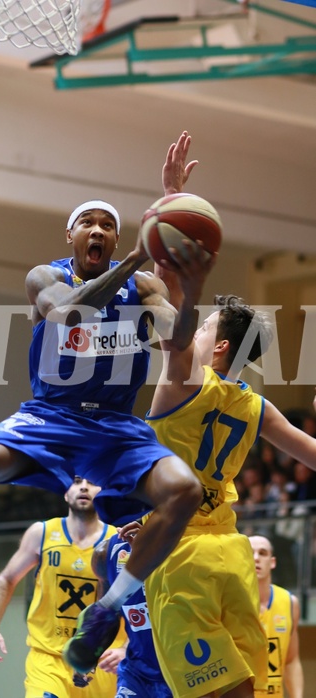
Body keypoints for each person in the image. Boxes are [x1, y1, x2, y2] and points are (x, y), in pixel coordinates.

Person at [0, 132, 204, 675]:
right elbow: (68, 314)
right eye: (90, 223)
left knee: (185, 491)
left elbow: (178, 342)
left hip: (115, 428)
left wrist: (193, 285)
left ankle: (107, 610)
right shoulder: (47, 276)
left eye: (109, 225)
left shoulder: (146, 287)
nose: (100, 231)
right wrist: (135, 256)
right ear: (71, 235)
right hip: (50, 419)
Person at [139, 208, 316, 697]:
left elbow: (166, 309)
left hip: (181, 551)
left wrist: (167, 212)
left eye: (201, 331)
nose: (190, 335)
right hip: (231, 552)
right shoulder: (258, 407)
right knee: (242, 689)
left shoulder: (182, 385)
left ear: (217, 349)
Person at [0, 475, 127, 697]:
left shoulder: (118, 540)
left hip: (102, 662)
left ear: (103, 491)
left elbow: (140, 601)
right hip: (48, 659)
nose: (83, 487)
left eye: (91, 482)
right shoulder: (41, 534)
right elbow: (6, 579)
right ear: (65, 492)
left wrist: (126, 648)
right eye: (77, 481)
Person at [92, 520, 173, 698]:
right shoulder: (105, 552)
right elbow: (107, 614)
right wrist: (89, 653)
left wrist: (150, 553)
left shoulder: (183, 541)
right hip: (137, 673)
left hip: (181, 670)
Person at [249, 535, 304, 698]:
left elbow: (291, 660)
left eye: (262, 553)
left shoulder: (289, 602)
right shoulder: (229, 601)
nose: (256, 558)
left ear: (272, 562)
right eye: (250, 553)